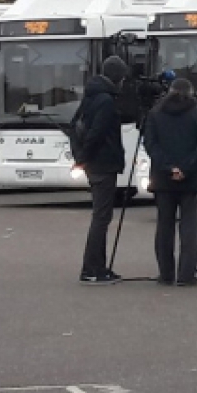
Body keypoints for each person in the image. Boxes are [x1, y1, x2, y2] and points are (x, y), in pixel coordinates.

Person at [142, 78, 197, 286]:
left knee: (164, 226)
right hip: (192, 178)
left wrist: (168, 167)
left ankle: (166, 274)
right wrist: (187, 168)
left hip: (163, 178)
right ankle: (186, 274)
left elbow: (150, 144)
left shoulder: (155, 113)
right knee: (189, 226)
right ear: (191, 92)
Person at [75, 55, 129, 285]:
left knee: (101, 216)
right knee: (101, 217)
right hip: (102, 164)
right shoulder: (106, 101)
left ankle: (97, 266)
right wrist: (85, 158)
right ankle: (92, 268)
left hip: (94, 164)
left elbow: (75, 125)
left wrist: (82, 158)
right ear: (118, 77)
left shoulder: (91, 96)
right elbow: (97, 133)